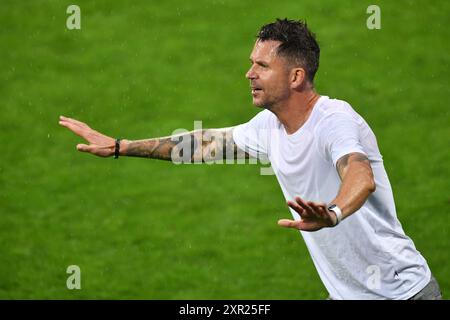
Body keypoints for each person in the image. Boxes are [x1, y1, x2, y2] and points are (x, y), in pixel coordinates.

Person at [59, 18, 442, 300]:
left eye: (262, 66)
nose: (249, 74)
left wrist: (333, 213)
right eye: (251, 63)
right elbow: (205, 144)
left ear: (295, 77)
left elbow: (360, 174)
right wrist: (120, 146)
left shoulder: (334, 120)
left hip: (402, 293)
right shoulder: (269, 127)